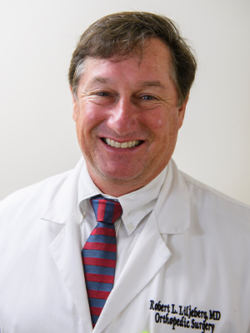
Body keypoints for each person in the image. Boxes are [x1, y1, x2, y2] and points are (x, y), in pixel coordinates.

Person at [0, 11, 249, 333]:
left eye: (147, 97)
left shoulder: (242, 243)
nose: (121, 120)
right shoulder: (7, 224)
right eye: (103, 94)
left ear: (180, 110)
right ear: (75, 103)